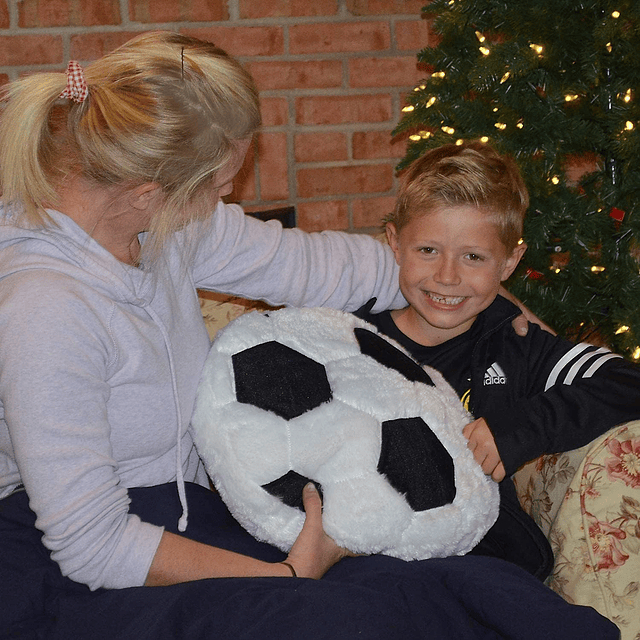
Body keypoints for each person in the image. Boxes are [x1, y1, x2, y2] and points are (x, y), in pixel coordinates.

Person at [0, 31, 619, 639]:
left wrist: (495, 303)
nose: (227, 199)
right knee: (345, 617)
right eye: (219, 187)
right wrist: (290, 574)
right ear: (149, 191)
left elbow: (337, 267)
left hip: (187, 514)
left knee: (455, 583)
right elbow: (92, 545)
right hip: (73, 567)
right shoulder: (45, 309)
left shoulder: (161, 227)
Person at [355, 141, 640, 583]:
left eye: (474, 257)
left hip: (480, 563)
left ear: (510, 261)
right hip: (367, 560)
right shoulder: (350, 341)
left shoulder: (518, 348)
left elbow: (627, 381)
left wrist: (520, 429)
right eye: (427, 250)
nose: (447, 276)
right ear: (394, 241)